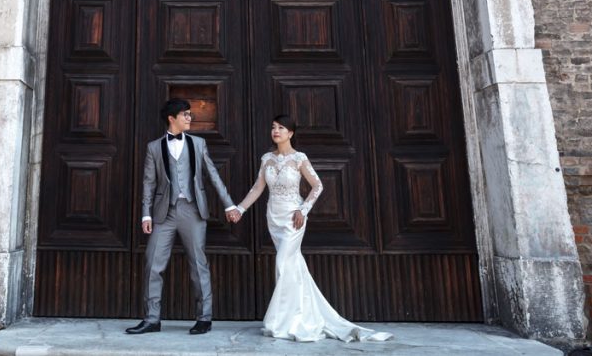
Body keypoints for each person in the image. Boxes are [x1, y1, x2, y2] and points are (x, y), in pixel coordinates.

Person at [233, 115, 393, 343]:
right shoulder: (267, 158)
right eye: (273, 127)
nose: (275, 131)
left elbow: (318, 185)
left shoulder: (299, 158)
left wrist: (303, 209)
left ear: (290, 133)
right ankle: (297, 315)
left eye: (281, 128)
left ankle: (281, 321)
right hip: (274, 217)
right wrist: (240, 209)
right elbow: (258, 187)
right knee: (293, 265)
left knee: (283, 264)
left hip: (293, 218)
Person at [126, 98, 240, 335]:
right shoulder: (154, 147)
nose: (190, 118)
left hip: (193, 210)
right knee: (152, 263)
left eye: (190, 114)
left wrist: (229, 205)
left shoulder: (198, 144)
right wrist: (145, 215)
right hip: (163, 212)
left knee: (198, 264)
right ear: (172, 118)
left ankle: (204, 318)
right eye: (186, 114)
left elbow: (213, 175)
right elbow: (148, 183)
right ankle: (152, 319)